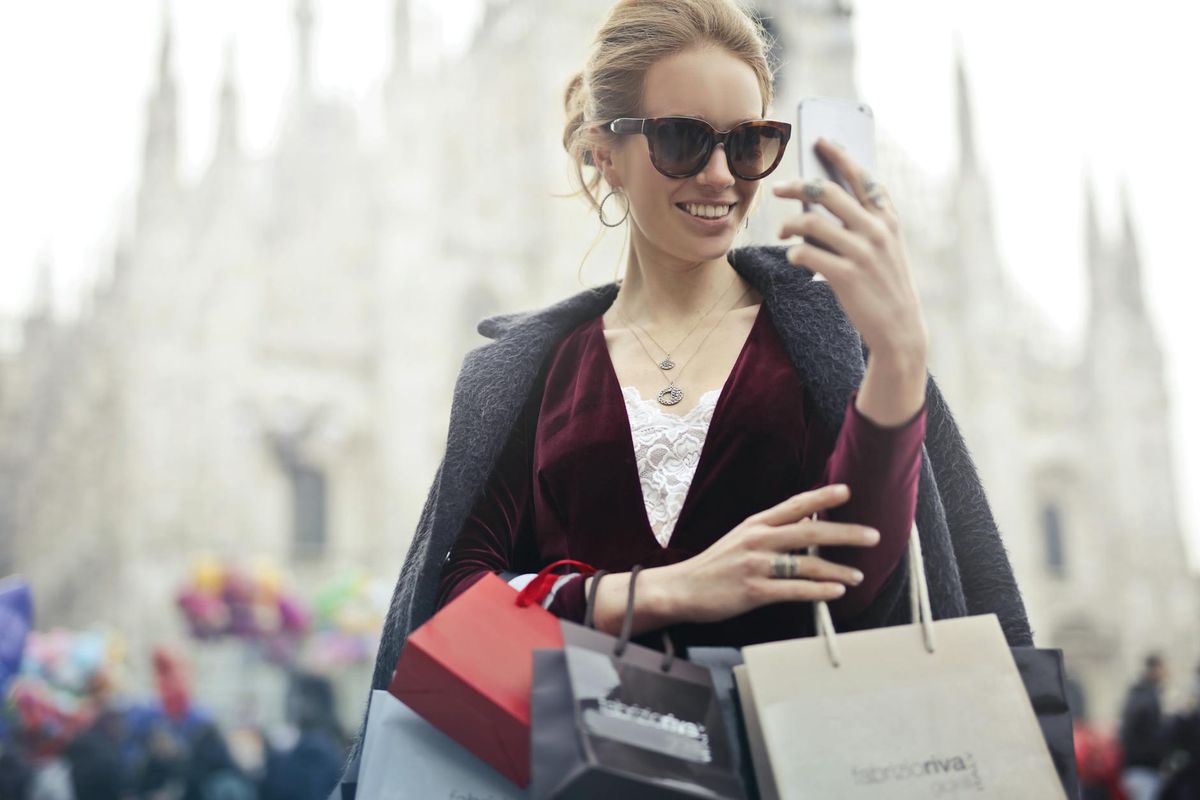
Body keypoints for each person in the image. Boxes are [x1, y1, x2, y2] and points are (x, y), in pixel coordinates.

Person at [340, 0, 1034, 788]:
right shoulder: (537, 368)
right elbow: (457, 608)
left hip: (790, 767)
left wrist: (901, 358)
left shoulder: (818, 344)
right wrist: (667, 591)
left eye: (749, 144)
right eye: (681, 140)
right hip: (582, 773)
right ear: (606, 153)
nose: (719, 176)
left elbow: (863, 590)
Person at [1119, 652, 1170, 800]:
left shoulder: (1138, 694)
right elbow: (1153, 734)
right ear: (1155, 669)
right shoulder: (1148, 698)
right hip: (1143, 768)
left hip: (1136, 766)